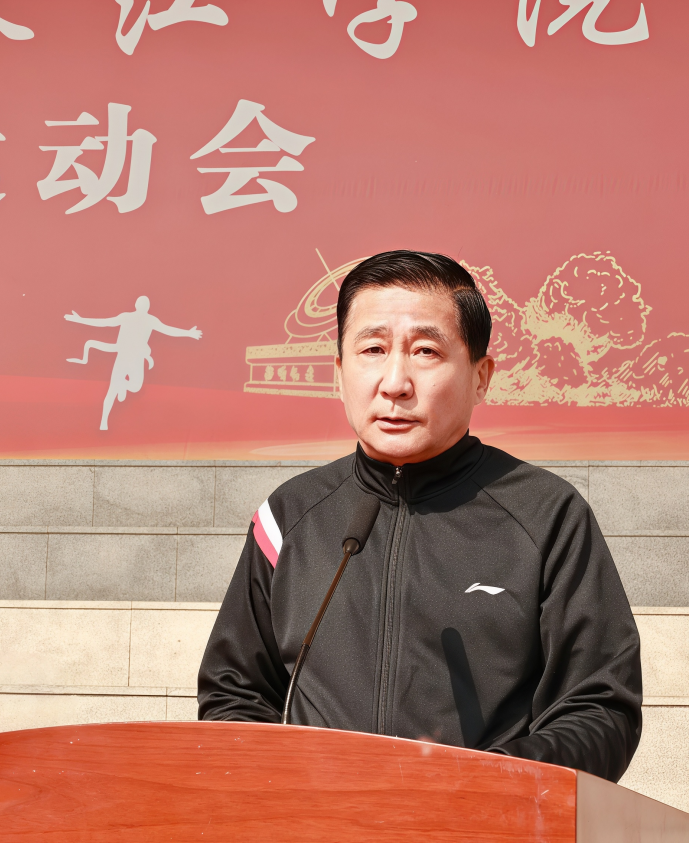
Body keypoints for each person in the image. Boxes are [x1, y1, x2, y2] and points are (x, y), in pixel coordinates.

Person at [197, 250, 642, 780]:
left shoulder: (548, 517)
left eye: (425, 351)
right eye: (373, 349)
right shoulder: (287, 517)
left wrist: (485, 782)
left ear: (481, 376)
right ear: (339, 373)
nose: (394, 383)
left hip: (482, 816)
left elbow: (600, 708)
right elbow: (233, 693)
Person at [64, 296, 202, 430]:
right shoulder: (145, 319)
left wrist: (80, 320)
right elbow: (168, 330)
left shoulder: (132, 318)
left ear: (137, 305)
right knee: (130, 388)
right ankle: (105, 420)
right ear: (147, 307)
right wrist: (188, 333)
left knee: (119, 389)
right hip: (132, 358)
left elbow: (104, 322)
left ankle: (106, 417)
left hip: (128, 358)